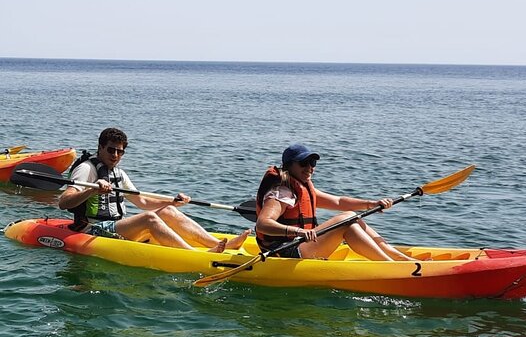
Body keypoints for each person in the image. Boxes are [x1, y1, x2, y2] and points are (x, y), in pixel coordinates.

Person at [58, 128, 249, 252]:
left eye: (120, 151)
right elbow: (64, 202)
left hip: (115, 226)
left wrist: (173, 202)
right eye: (111, 150)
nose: (115, 155)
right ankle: (194, 255)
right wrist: (92, 191)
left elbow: (142, 201)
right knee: (149, 218)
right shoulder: (87, 169)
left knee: (168, 211)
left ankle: (216, 245)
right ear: (100, 147)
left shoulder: (118, 173)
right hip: (93, 230)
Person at [255, 144, 416, 261]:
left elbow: (338, 202)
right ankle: (389, 264)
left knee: (350, 215)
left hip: (300, 245)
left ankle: (397, 257)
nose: (309, 168)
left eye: (313, 163)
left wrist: (371, 203)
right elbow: (262, 224)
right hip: (284, 252)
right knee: (345, 221)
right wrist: (298, 232)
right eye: (303, 163)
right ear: (289, 166)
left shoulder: (301, 187)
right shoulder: (281, 192)